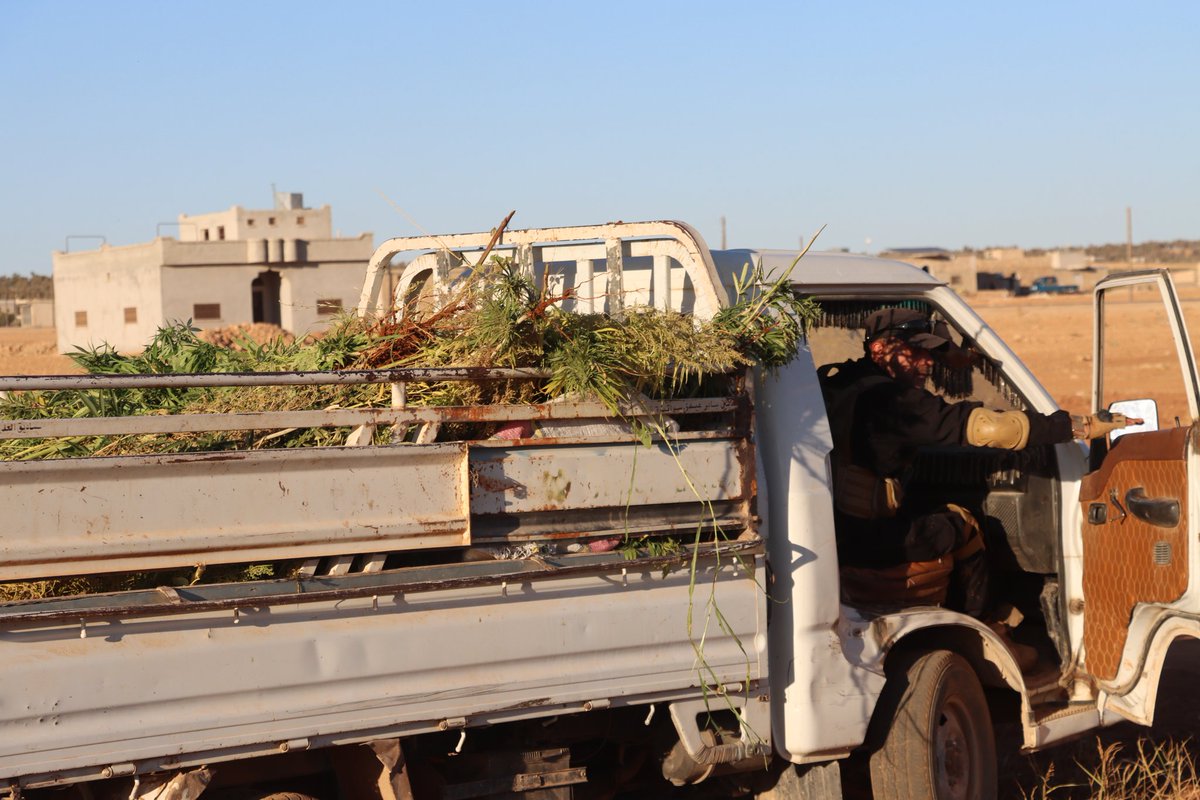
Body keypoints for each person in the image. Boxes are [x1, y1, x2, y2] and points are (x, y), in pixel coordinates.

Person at [818, 307, 1136, 622]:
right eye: (917, 350)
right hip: (865, 541)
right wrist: (1081, 426)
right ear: (879, 348)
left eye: (930, 353)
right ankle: (982, 623)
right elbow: (991, 429)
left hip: (831, 534)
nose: (928, 361)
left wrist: (956, 356)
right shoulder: (895, 402)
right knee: (962, 523)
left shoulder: (839, 382)